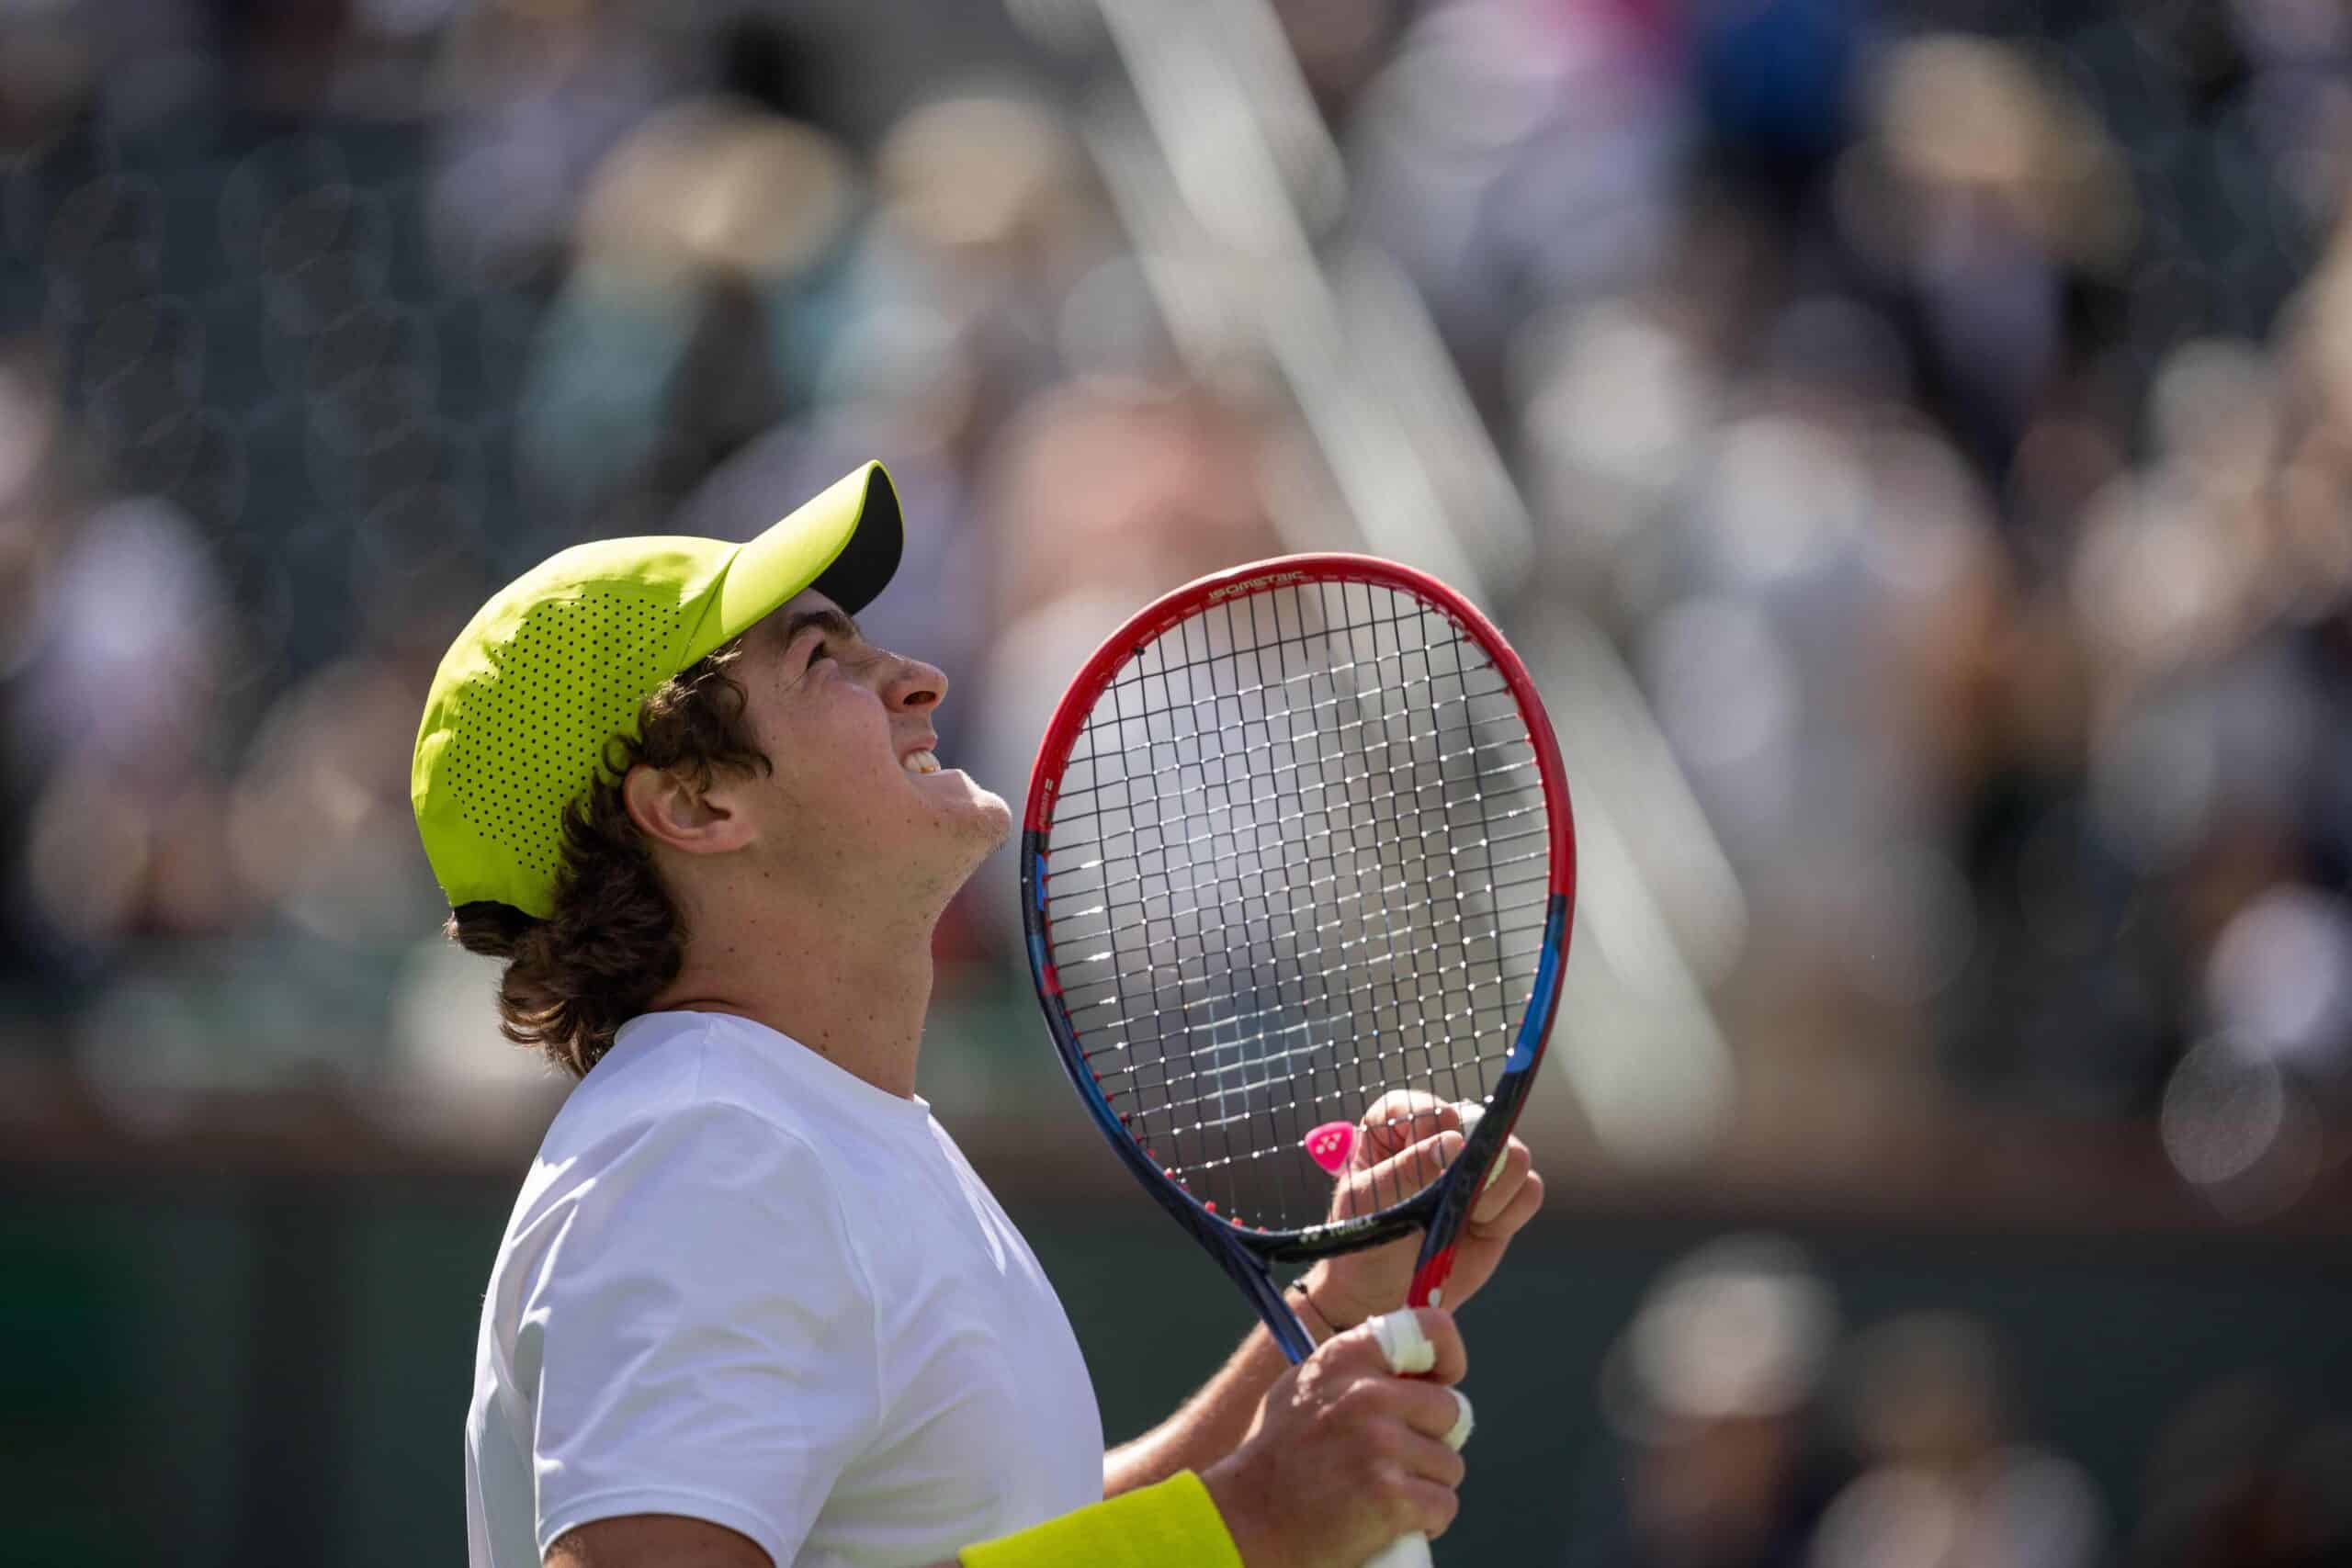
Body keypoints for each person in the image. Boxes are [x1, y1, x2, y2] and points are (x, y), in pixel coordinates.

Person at [412, 463, 1547, 1568]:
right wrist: (1247, 1529)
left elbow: (1000, 1551)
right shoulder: (711, 1149)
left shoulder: (779, 1128)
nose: (918, 676)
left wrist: (1339, 1305)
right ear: (696, 802)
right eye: (825, 660)